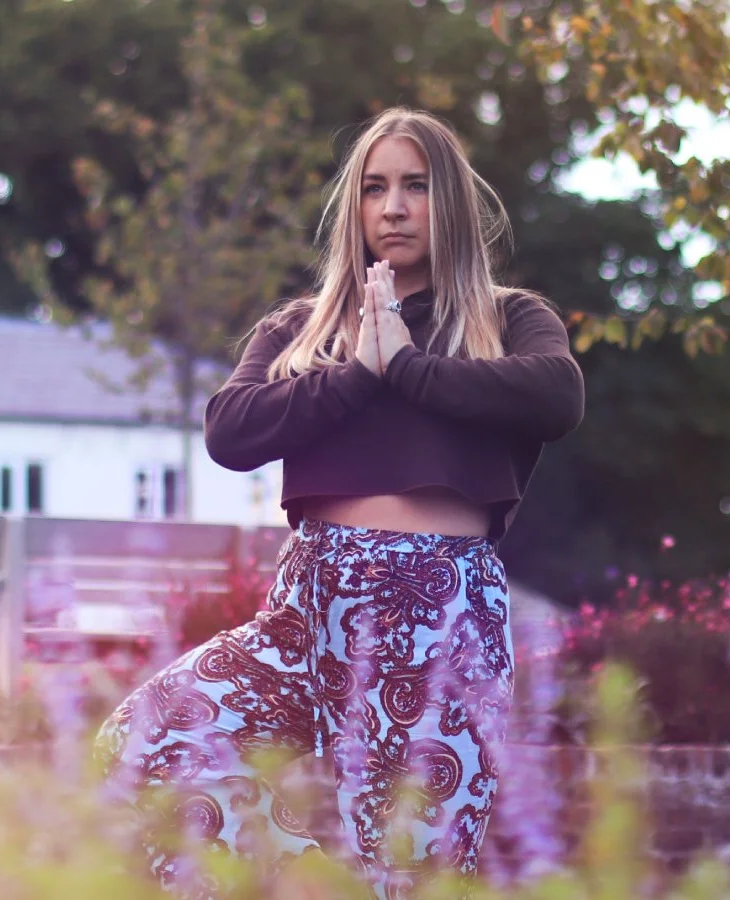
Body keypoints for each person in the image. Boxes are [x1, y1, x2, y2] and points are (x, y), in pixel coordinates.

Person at [96, 107, 585, 899]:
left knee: (410, 871)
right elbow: (230, 429)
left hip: (438, 615)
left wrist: (408, 366)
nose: (393, 206)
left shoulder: (504, 318)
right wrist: (357, 371)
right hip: (306, 608)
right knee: (142, 745)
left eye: (416, 186)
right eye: (375, 187)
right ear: (354, 207)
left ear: (450, 202)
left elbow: (559, 399)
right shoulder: (305, 326)